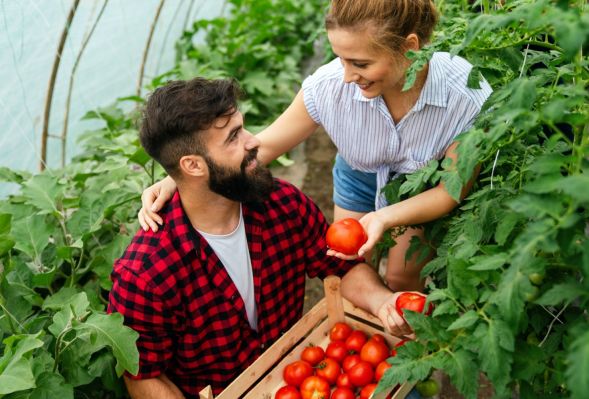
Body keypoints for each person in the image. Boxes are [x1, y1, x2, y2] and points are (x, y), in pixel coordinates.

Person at [137, 0, 492, 293]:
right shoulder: (329, 86)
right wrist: (180, 179)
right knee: (350, 267)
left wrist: (385, 216)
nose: (349, 76)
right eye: (340, 58)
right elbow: (266, 144)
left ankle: (407, 361)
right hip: (360, 172)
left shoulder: (465, 95)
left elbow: (450, 190)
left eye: (361, 63)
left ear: (409, 48)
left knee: (401, 279)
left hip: (421, 188)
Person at [108, 77, 415, 399]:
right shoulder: (145, 275)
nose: (253, 141)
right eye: (233, 138)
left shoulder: (281, 204)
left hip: (294, 379)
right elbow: (144, 375)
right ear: (193, 166)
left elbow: (340, 267)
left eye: (243, 128)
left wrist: (383, 302)